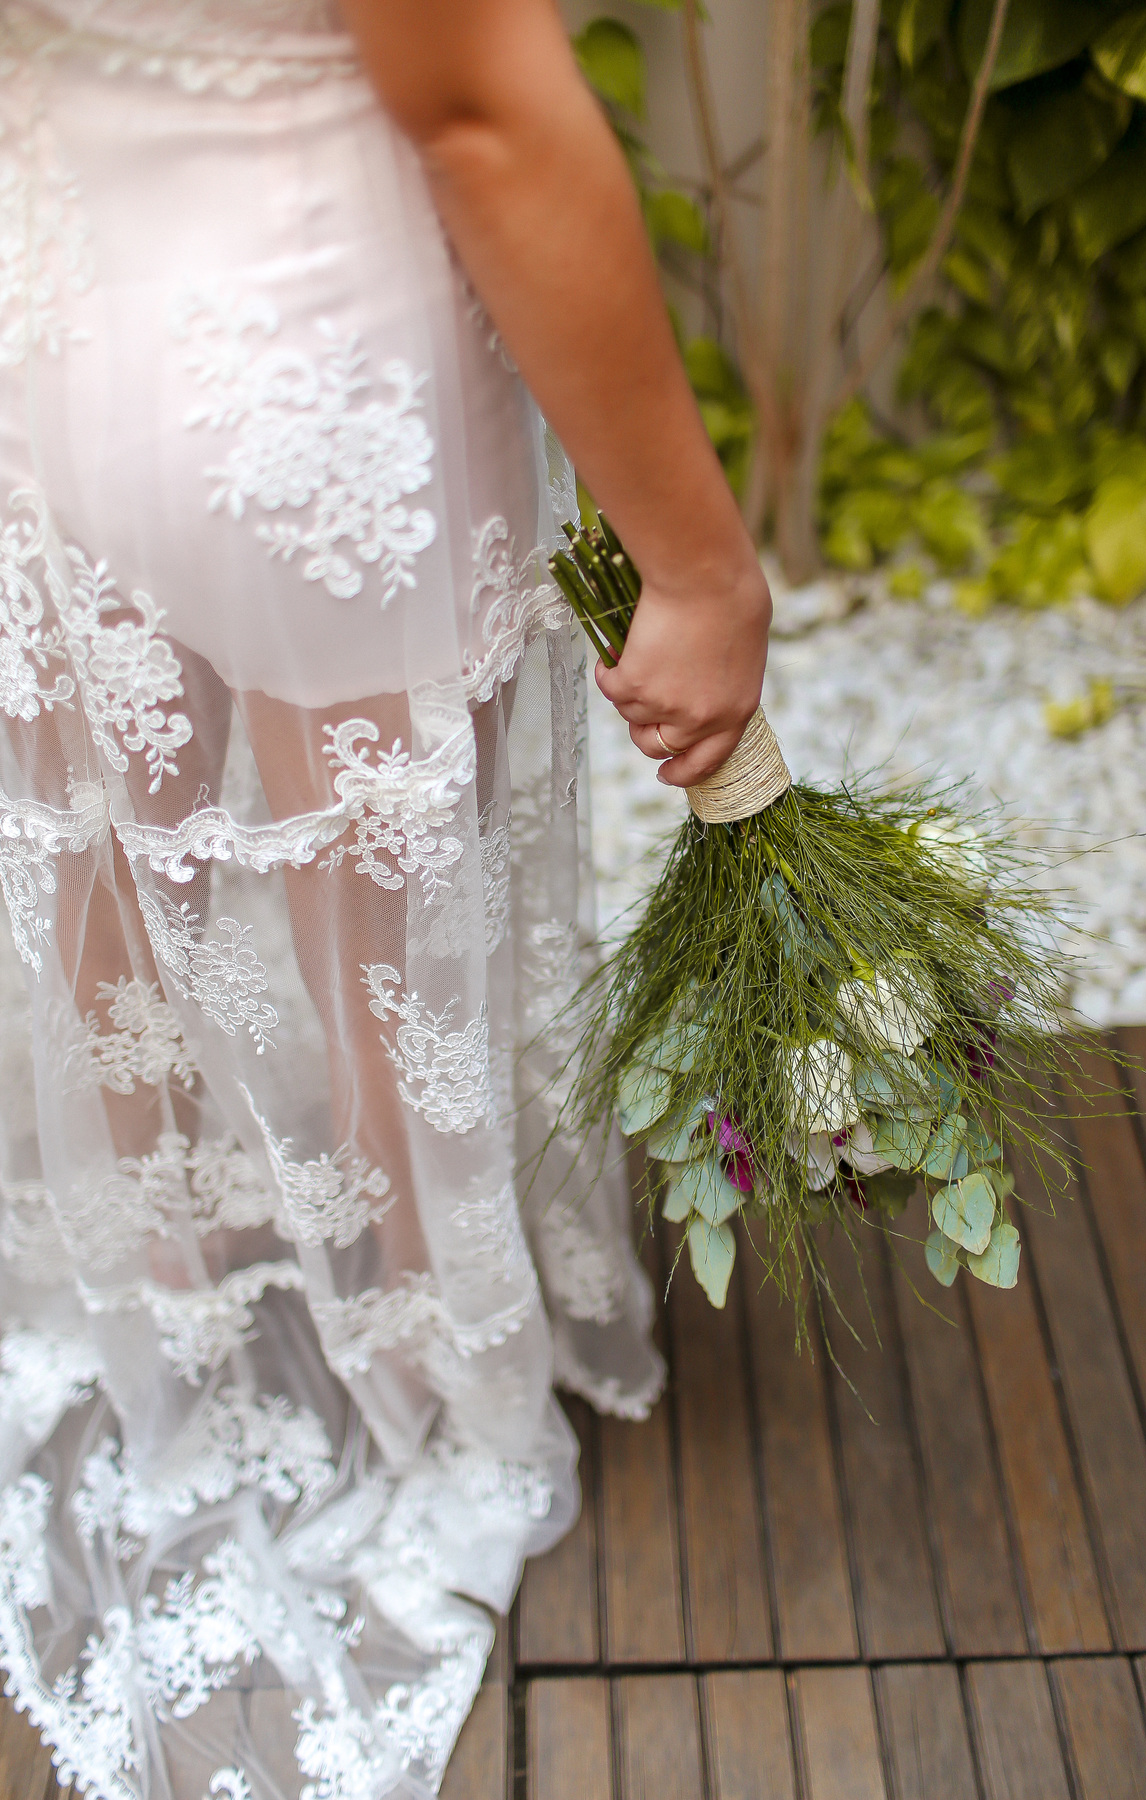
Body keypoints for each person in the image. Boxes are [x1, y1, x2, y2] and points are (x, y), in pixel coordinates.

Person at [0, 1, 769, 1794]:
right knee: (386, 955)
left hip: (43, 308)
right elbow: (481, 101)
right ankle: (434, 1400)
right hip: (302, 355)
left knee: (111, 900)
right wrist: (699, 564)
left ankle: (175, 1323)